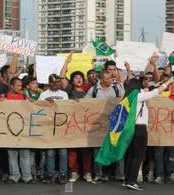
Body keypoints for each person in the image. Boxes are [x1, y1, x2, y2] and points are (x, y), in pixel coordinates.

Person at [124, 76, 174, 190]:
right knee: (138, 156)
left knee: (131, 155)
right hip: (140, 129)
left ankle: (127, 179)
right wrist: (168, 83)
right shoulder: (138, 96)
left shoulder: (130, 96)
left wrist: (157, 84)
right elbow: (154, 93)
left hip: (131, 129)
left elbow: (148, 90)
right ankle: (132, 181)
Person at [86, 70, 125, 183]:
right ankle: (99, 174)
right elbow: (85, 103)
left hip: (115, 123)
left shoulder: (116, 88)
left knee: (118, 148)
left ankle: (120, 174)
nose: (110, 80)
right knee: (98, 149)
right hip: (99, 125)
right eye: (107, 79)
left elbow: (124, 100)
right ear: (101, 79)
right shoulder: (93, 90)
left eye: (111, 78)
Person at [59, 53, 93, 183]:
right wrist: (67, 63)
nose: (79, 79)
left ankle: (87, 172)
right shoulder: (69, 90)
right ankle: (74, 172)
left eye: (81, 77)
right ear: (72, 81)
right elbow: (62, 77)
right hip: (72, 123)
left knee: (86, 149)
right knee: (73, 150)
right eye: (76, 78)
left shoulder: (89, 90)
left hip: (86, 123)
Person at [4, 77, 35, 184]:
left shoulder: (24, 97)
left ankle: (27, 176)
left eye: (21, 85)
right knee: (12, 153)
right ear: (11, 86)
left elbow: (32, 108)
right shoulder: (6, 97)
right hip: (10, 129)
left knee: (25, 153)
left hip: (23, 129)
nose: (20, 87)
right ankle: (14, 176)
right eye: (17, 85)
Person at [40, 74, 69, 184]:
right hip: (48, 127)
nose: (55, 84)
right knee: (50, 152)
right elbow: (37, 108)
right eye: (53, 82)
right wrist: (44, 102)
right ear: (49, 83)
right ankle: (50, 173)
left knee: (63, 152)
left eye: (57, 82)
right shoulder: (43, 95)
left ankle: (63, 174)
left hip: (61, 127)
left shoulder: (64, 94)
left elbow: (68, 108)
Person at [23, 76, 42, 180]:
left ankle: (40, 170)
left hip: (39, 125)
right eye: (33, 83)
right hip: (28, 125)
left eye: (36, 83)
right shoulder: (24, 94)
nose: (36, 85)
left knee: (40, 152)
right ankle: (32, 172)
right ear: (27, 86)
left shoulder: (41, 94)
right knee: (31, 151)